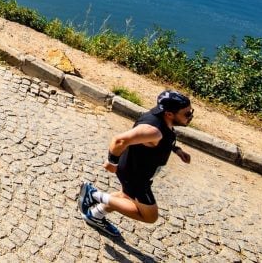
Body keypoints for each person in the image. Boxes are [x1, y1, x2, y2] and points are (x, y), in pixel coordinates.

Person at [78, 90, 194, 237]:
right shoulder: (154, 131)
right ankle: (93, 194)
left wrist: (177, 150)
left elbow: (163, 139)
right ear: (170, 114)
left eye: (191, 112)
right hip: (136, 177)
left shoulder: (159, 118)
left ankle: (95, 215)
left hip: (133, 171)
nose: (191, 117)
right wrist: (111, 162)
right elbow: (119, 140)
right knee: (150, 216)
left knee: (125, 198)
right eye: (187, 114)